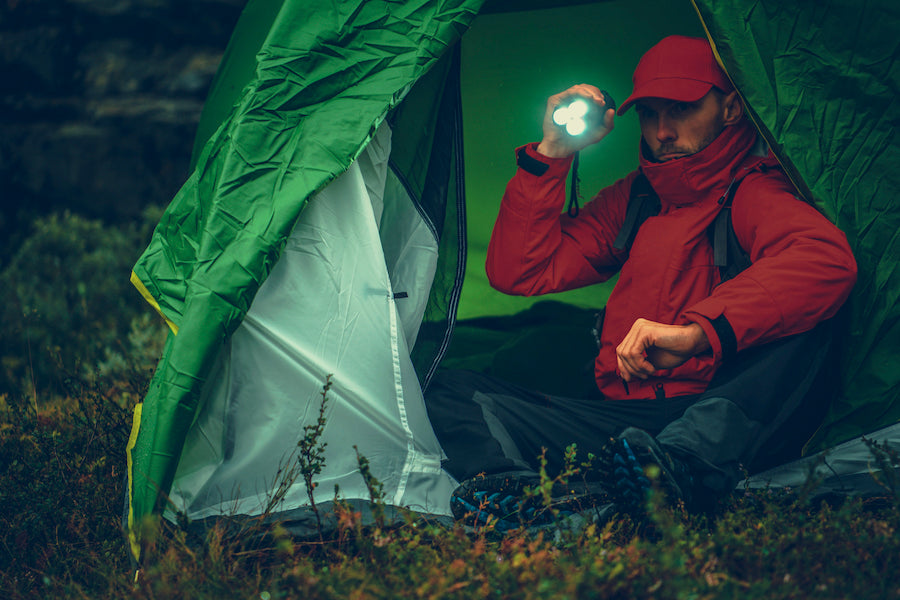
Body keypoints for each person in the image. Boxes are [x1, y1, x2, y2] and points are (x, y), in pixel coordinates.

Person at [424, 35, 857, 527]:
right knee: (446, 389)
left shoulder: (753, 190)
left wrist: (697, 333)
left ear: (732, 108)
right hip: (623, 429)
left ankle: (675, 473)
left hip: (710, 417)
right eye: (650, 114)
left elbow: (825, 259)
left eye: (682, 109)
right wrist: (553, 155)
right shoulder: (640, 197)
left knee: (810, 320)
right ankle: (533, 504)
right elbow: (521, 271)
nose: (663, 131)